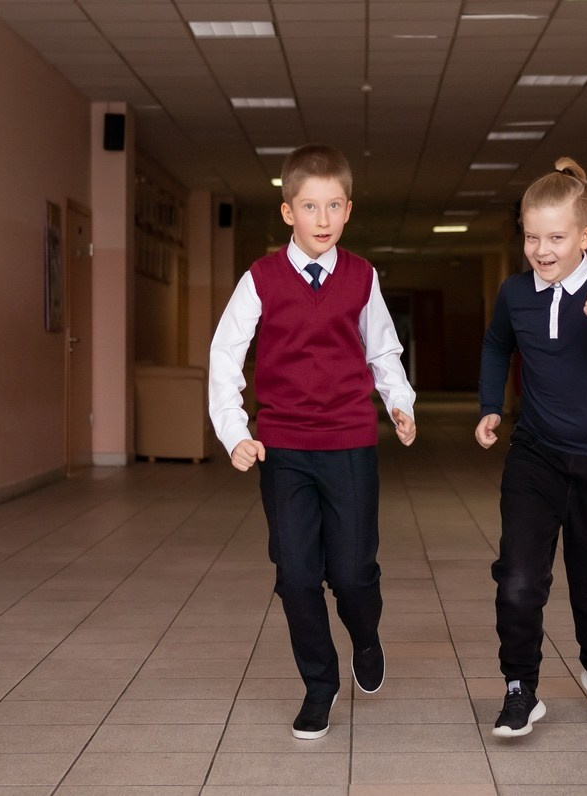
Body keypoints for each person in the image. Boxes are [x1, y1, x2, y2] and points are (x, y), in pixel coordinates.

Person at [209, 144, 416, 740]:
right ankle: (320, 686)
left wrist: (399, 404)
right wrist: (235, 432)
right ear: (287, 212)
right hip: (284, 450)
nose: (322, 219)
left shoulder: (362, 276)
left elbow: (382, 349)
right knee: (296, 575)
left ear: (348, 210)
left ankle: (366, 637)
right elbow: (227, 354)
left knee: (352, 574)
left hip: (350, 443)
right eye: (309, 206)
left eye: (333, 206)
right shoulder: (260, 280)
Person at [475, 157, 587, 737]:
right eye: (531, 236)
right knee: (519, 578)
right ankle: (519, 687)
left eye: (555, 237)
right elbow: (498, 345)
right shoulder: (515, 293)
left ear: (584, 237)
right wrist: (491, 407)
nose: (542, 249)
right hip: (537, 454)